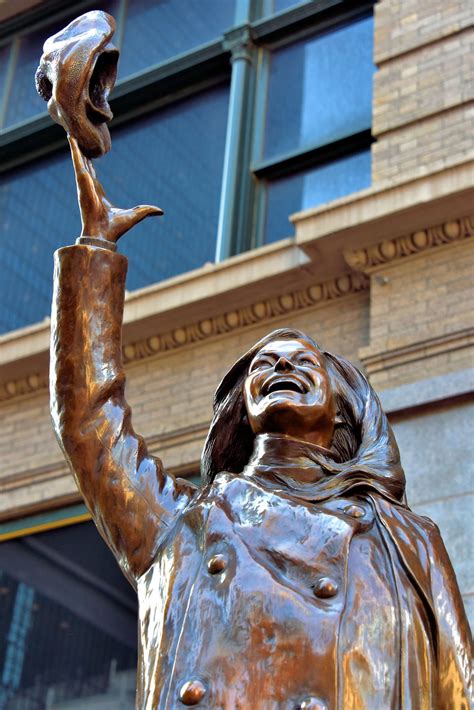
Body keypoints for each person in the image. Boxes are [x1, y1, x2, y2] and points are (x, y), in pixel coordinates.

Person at [50, 137, 472, 709]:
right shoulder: (183, 524)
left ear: (345, 407)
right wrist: (96, 249)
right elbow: (90, 423)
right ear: (240, 412)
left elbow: (459, 685)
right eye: (264, 365)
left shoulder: (406, 540)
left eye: (304, 363)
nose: (278, 366)